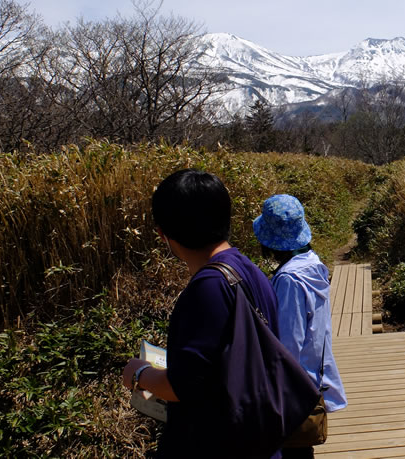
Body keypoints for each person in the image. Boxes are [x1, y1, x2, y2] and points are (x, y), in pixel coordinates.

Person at [121, 169, 285, 458]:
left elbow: (182, 388)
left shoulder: (207, 289)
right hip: (257, 436)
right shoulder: (250, 271)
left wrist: (139, 373)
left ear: (164, 234)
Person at [254, 194, 347, 458]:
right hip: (312, 378)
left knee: (293, 451)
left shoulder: (289, 280)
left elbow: (288, 343)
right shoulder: (313, 264)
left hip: (293, 390)